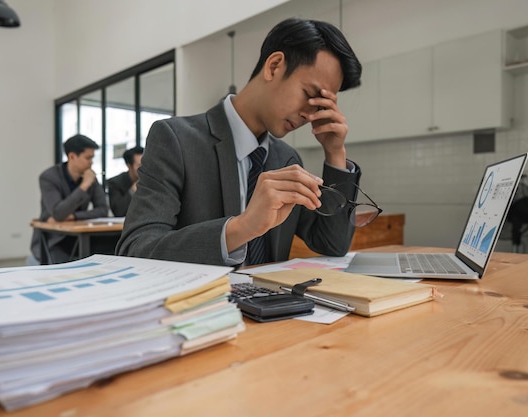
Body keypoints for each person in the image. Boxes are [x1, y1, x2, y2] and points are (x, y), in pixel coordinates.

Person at [115, 17, 363, 267]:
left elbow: (333, 244)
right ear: (274, 66)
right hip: (201, 303)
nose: (310, 115)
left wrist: (334, 153)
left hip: (275, 304)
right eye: (309, 95)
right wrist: (241, 228)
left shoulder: (286, 158)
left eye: (320, 106)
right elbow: (136, 250)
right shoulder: (175, 140)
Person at [29, 134, 109, 264]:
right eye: (88, 158)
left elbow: (103, 210)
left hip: (81, 236)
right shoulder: (49, 177)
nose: (91, 162)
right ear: (72, 156)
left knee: (110, 247)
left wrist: (74, 216)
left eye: (92, 158)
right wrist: (84, 186)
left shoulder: (90, 177)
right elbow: (59, 213)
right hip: (55, 239)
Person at [107, 146, 144, 217]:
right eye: (139, 165)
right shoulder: (115, 183)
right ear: (129, 166)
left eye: (145, 164)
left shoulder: (152, 180)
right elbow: (118, 211)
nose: (144, 168)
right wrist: (133, 189)